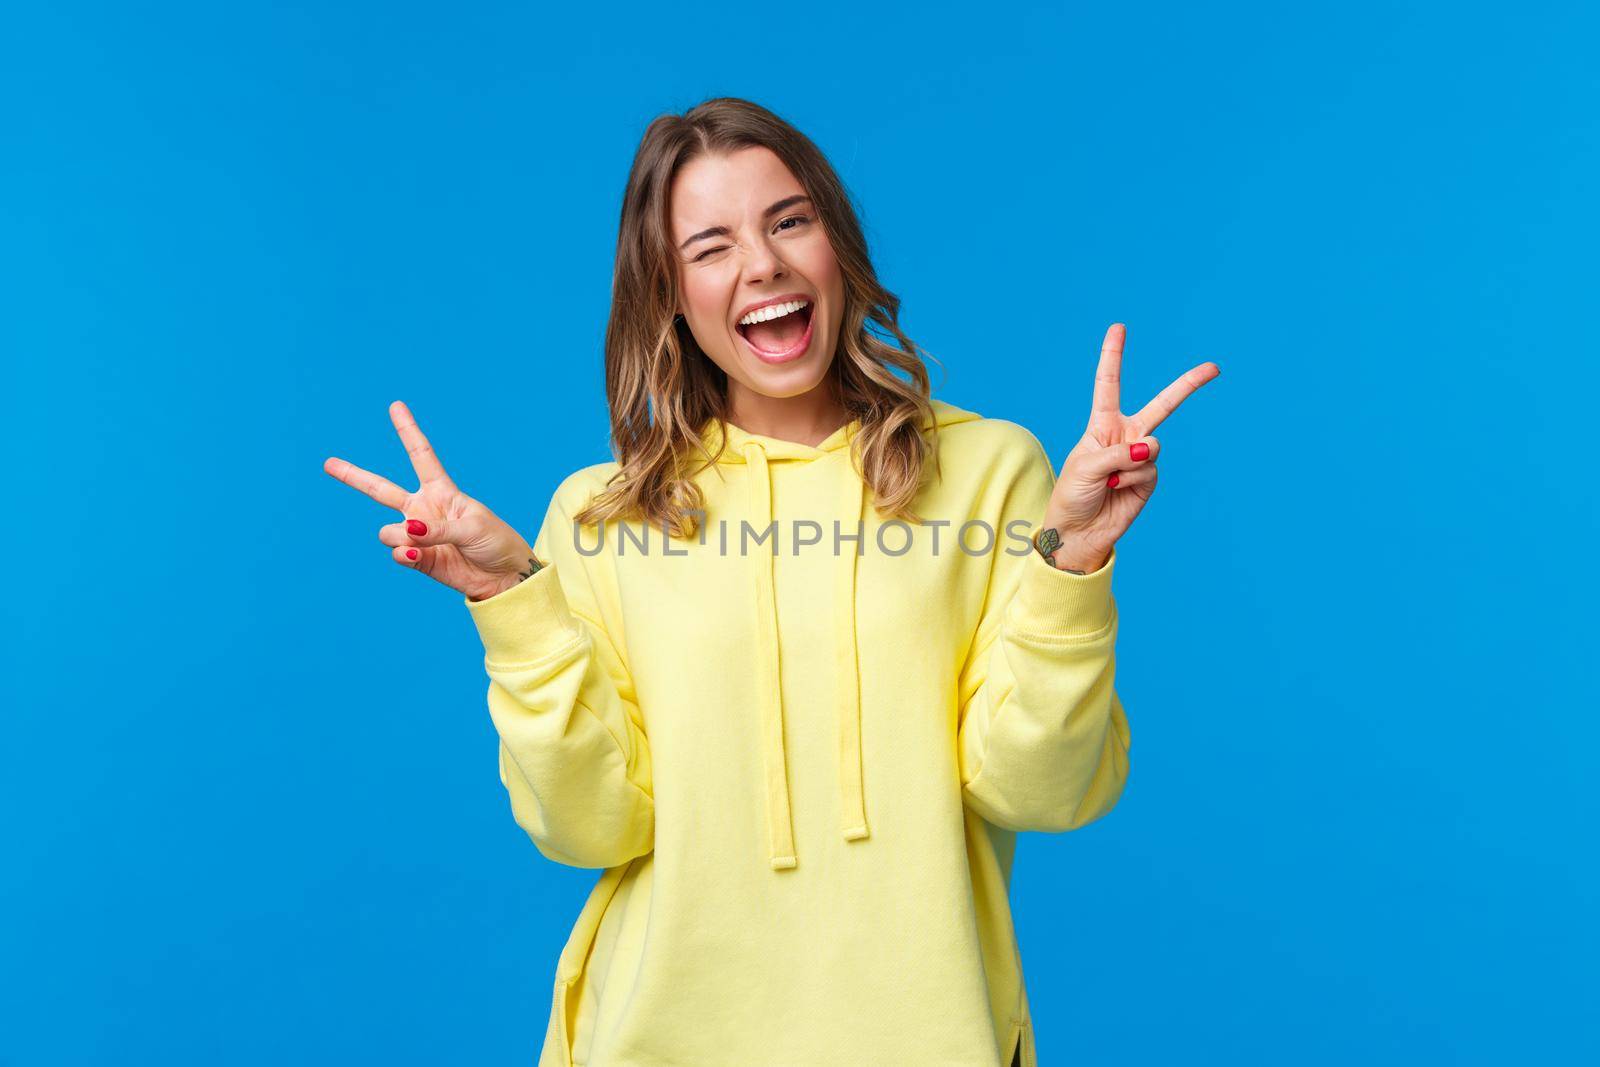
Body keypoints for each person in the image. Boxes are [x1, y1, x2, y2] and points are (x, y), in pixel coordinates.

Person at [325, 97, 1218, 1067]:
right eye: (709, 246)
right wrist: (512, 602)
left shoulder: (992, 473)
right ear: (668, 291)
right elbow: (588, 827)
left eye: (788, 220)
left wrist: (1072, 558)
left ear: (836, 244)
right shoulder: (603, 512)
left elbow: (1043, 790)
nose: (762, 265)